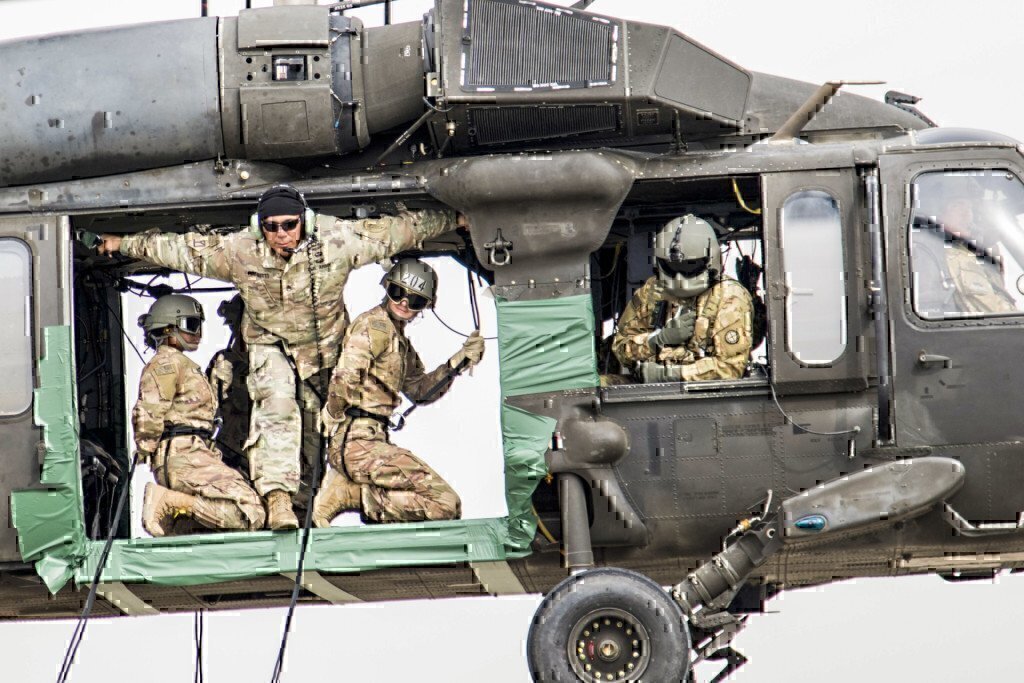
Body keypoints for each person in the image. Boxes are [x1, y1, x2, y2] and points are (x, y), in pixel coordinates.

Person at [97, 186, 462, 529]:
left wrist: (457, 219)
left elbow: (398, 232)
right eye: (271, 228)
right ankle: (277, 500)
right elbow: (181, 250)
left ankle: (307, 504)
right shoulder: (239, 251)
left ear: (306, 222)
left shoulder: (338, 242)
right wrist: (121, 243)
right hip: (268, 345)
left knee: (314, 427)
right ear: (260, 228)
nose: (282, 235)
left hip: (322, 354)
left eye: (290, 225)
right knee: (277, 403)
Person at [312, 258, 484, 526]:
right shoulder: (375, 326)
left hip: (369, 440)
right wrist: (332, 413)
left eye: (415, 300)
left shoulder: (398, 339)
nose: (404, 303)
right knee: (445, 504)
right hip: (357, 442)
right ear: (387, 288)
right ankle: (355, 493)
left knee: (444, 505)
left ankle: (349, 487)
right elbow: (346, 376)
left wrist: (458, 362)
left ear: (424, 307)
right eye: (398, 293)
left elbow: (420, 390)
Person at [133, 295, 266, 536]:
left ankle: (173, 520)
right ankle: (166, 502)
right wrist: (146, 444)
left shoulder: (183, 364)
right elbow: (149, 409)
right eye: (190, 325)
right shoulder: (167, 363)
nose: (198, 333)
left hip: (195, 450)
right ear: (168, 327)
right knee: (250, 511)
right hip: (184, 452)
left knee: (214, 523)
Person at [612, 215, 753, 383]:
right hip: (648, 387)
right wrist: (656, 340)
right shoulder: (653, 291)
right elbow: (620, 349)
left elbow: (729, 368)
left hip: (705, 394)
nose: (679, 277)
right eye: (672, 267)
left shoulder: (729, 296)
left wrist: (668, 375)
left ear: (710, 261)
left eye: (689, 266)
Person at [912, 185, 1016, 317]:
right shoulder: (947, 253)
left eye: (970, 208)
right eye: (957, 205)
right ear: (938, 212)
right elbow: (994, 310)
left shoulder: (970, 251)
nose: (967, 214)